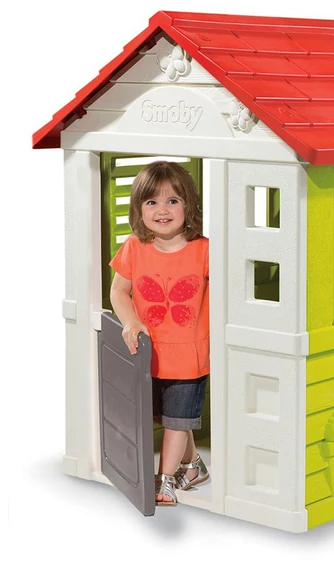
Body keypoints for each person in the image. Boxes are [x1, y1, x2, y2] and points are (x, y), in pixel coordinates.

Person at [110, 161, 210, 506]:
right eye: (152, 202)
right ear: (139, 208)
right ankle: (193, 467)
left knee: (176, 423)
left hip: (189, 356)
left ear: (188, 205)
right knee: (169, 418)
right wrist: (130, 321)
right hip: (149, 352)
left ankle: (165, 481)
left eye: (173, 201)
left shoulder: (205, 250)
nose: (162, 210)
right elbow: (118, 291)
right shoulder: (135, 247)